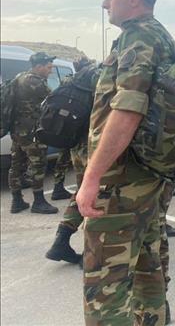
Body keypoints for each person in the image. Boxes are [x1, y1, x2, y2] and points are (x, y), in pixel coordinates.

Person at [77, 0, 175, 325]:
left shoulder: (137, 37)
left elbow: (128, 110)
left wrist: (92, 177)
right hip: (148, 173)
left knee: (105, 285)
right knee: (147, 266)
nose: (105, 3)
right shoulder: (160, 36)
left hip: (123, 179)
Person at [46, 56, 100, 265]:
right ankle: (92, 254)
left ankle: (61, 241)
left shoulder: (75, 78)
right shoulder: (105, 76)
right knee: (98, 195)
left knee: (82, 191)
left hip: (76, 144)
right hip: (93, 145)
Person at [9, 52, 59, 215]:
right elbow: (53, 97)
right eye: (48, 68)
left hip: (17, 129)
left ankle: (17, 201)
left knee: (16, 164)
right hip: (31, 131)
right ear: (39, 66)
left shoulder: (19, 77)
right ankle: (38, 202)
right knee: (38, 163)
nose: (50, 71)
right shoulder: (35, 81)